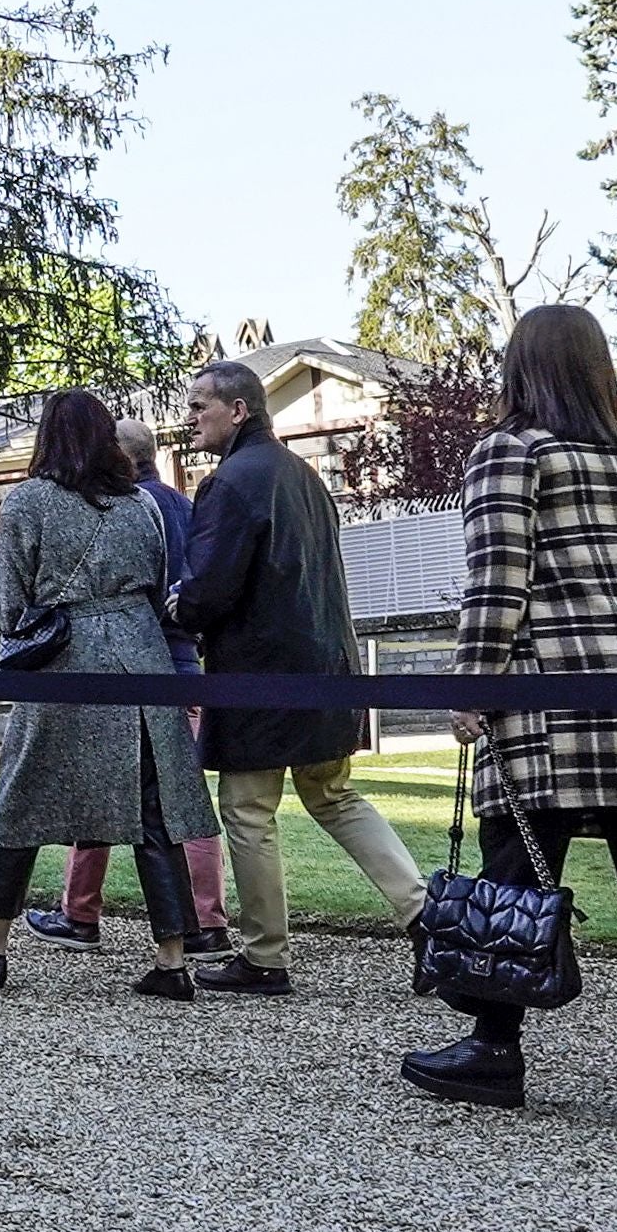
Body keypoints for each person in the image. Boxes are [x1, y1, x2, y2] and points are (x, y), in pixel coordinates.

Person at [405, 307, 617, 1135]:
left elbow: (497, 585)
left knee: (514, 872)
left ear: (518, 369)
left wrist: (474, 687)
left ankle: (495, 1046)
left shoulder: (510, 452)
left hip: (553, 698)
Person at [0, 389, 217, 995]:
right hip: (143, 660)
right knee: (155, 812)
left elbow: (8, 606)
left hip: (64, 663)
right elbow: (161, 583)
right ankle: (173, 961)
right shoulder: (142, 505)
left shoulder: (28, 502)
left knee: (20, 800)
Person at [165, 361, 424, 994]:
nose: (190, 415)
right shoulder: (305, 476)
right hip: (327, 663)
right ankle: (427, 915)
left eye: (201, 404)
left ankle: (264, 957)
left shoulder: (230, 483)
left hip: (261, 675)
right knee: (334, 796)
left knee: (248, 809)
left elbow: (211, 589)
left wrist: (179, 603)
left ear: (239, 410)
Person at [52, 421, 234, 957]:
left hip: (131, 663)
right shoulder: (185, 504)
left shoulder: (124, 508)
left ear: (119, 457)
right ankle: (208, 920)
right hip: (186, 663)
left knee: (102, 786)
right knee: (187, 797)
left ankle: (80, 912)